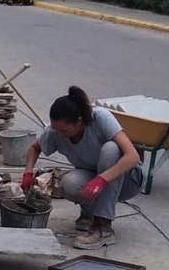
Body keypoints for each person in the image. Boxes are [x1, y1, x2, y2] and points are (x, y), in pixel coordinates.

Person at [22, 86, 143, 249]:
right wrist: (28, 172)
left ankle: (103, 227)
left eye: (65, 130)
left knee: (111, 149)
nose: (60, 134)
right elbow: (34, 148)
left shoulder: (100, 117)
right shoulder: (56, 131)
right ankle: (89, 214)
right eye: (56, 129)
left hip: (126, 180)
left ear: (79, 122)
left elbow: (132, 156)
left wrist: (101, 180)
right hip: (94, 177)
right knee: (69, 182)